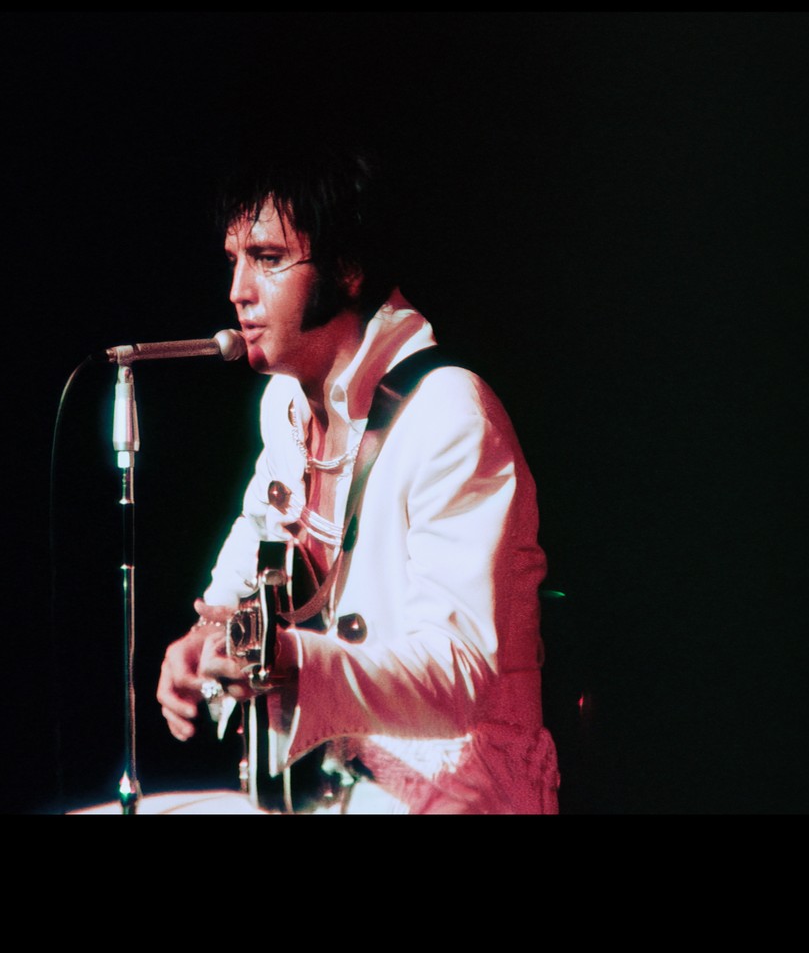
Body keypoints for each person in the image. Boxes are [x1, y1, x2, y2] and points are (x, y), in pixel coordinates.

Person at [155, 141, 558, 814]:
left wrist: (293, 661)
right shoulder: (284, 406)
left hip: (460, 791)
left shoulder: (450, 415)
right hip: (329, 788)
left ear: (347, 268)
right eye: (234, 260)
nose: (238, 291)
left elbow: (460, 669)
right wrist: (202, 646)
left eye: (268, 259)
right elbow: (248, 557)